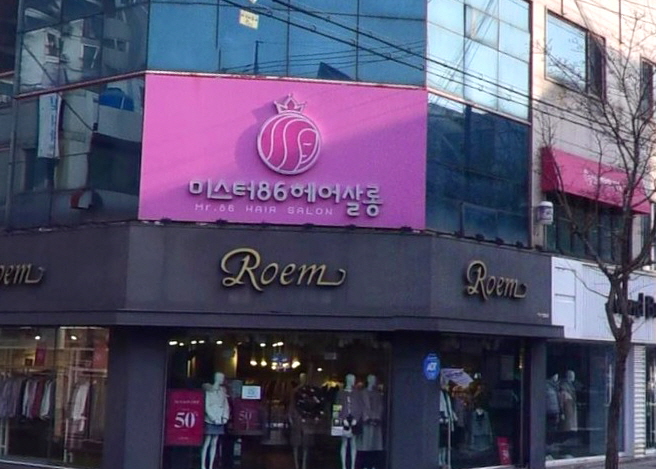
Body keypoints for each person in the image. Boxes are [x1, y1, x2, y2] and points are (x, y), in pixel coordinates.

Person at [201, 372, 230, 469]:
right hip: (211, 419)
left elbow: (226, 405)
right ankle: (203, 465)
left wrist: (225, 417)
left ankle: (210, 465)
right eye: (221, 377)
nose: (222, 379)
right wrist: (212, 417)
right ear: (216, 378)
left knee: (215, 442)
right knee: (207, 442)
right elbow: (206, 405)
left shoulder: (222, 391)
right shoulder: (209, 391)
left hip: (220, 419)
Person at [336, 373, 362, 469]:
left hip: (354, 419)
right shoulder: (340, 393)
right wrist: (342, 419)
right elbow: (337, 407)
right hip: (344, 419)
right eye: (352, 379)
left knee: (353, 443)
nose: (353, 382)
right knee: (344, 442)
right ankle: (343, 466)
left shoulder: (357, 393)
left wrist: (356, 418)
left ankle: (352, 466)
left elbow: (360, 407)